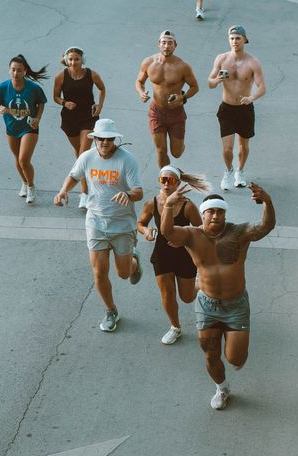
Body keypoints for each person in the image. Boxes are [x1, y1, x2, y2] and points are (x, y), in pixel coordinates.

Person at [161, 182, 275, 410]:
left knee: (235, 359)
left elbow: (266, 226)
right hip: (207, 304)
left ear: (225, 214)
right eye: (210, 211)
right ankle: (222, 389)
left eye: (220, 211)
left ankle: (235, 351)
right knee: (210, 353)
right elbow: (167, 232)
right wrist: (168, 207)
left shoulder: (239, 232)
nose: (215, 215)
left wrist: (268, 201)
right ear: (202, 215)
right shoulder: (192, 235)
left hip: (236, 304)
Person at [54, 119, 143, 332]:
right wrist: (63, 190)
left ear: (114, 140)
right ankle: (111, 310)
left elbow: (139, 191)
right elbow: (74, 175)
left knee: (123, 273)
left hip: (122, 224)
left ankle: (133, 261)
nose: (105, 143)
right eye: (101, 139)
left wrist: (128, 194)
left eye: (109, 139)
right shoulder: (87, 157)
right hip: (95, 222)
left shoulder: (127, 160)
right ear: (95, 139)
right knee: (99, 273)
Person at [137, 165, 210, 344]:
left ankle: (201, 282)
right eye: (163, 180)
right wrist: (146, 231)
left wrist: (184, 239)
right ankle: (175, 327)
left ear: (177, 183)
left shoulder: (188, 206)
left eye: (170, 180)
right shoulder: (152, 203)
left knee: (187, 297)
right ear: (159, 181)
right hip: (162, 254)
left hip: (184, 254)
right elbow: (140, 223)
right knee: (167, 293)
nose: (166, 184)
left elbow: (201, 231)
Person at [208, 26, 266, 191]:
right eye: (232, 38)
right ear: (229, 40)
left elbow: (262, 87)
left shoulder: (252, 62)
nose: (235, 41)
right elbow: (210, 83)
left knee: (244, 145)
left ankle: (240, 171)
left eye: (238, 38)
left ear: (245, 40)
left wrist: (251, 97)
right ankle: (228, 171)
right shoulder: (221, 58)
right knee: (227, 148)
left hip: (244, 109)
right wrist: (217, 79)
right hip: (226, 109)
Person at [135, 30, 199, 167]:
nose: (166, 46)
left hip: (176, 113)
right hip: (156, 112)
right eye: (163, 42)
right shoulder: (148, 62)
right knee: (161, 150)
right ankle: (166, 181)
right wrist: (141, 93)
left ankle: (180, 146)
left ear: (175, 46)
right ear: (159, 44)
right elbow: (139, 81)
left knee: (176, 153)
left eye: (170, 43)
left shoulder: (183, 66)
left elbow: (195, 87)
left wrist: (182, 97)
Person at [0, 54, 48, 205]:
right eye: (13, 70)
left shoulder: (33, 88)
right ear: (9, 70)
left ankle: (31, 187)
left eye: (19, 70)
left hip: (30, 128)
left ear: (25, 71)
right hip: (12, 128)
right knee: (18, 160)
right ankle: (24, 182)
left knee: (23, 159)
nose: (16, 73)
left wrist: (38, 118)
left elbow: (41, 102)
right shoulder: (3, 87)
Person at [53, 46, 106, 210]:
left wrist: (100, 105)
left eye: (77, 59)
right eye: (71, 59)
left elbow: (102, 88)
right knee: (80, 156)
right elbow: (55, 97)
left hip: (88, 118)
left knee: (83, 154)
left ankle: (85, 193)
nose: (74, 62)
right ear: (66, 60)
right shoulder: (61, 76)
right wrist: (64, 103)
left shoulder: (91, 74)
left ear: (82, 60)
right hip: (70, 119)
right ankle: (87, 188)